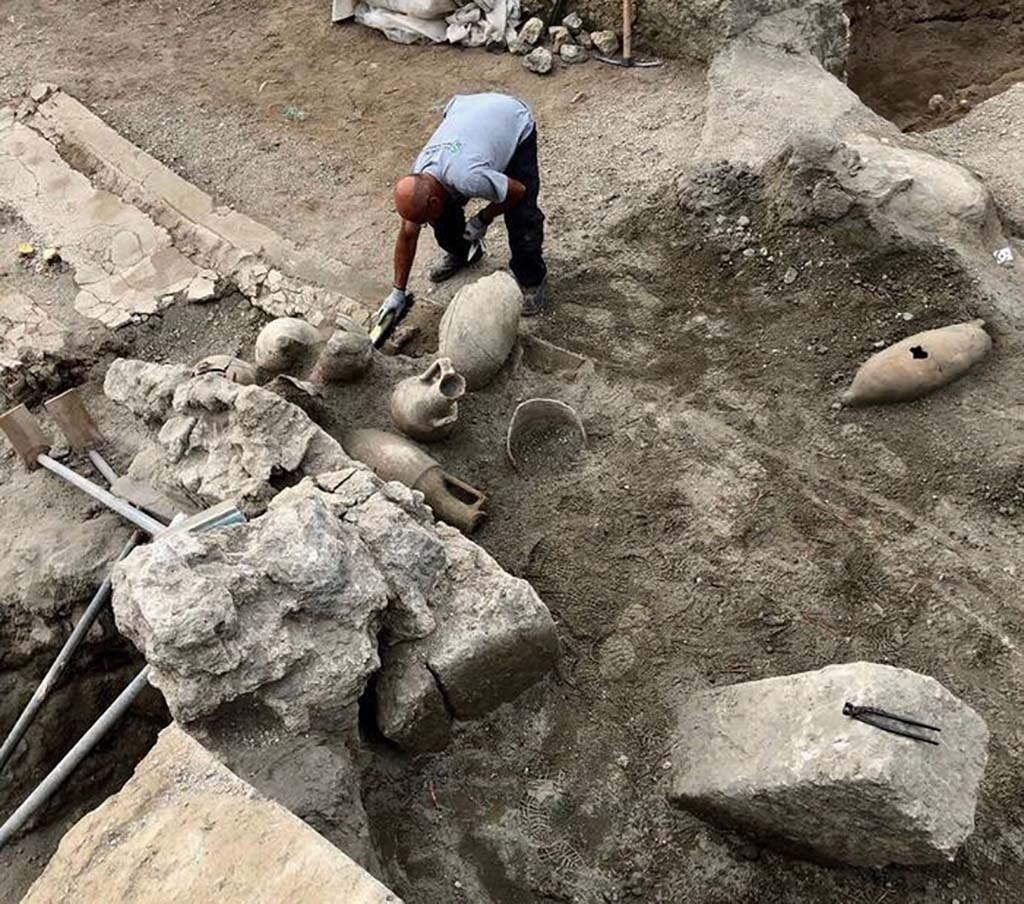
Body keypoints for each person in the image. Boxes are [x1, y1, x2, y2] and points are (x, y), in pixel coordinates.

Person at [380, 93, 548, 321]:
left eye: (423, 220)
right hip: (466, 112)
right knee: (441, 218)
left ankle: (531, 279)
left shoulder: (469, 178)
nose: (422, 225)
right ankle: (465, 253)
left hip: (512, 118)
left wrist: (483, 218)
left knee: (522, 217)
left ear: (433, 200)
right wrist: (397, 292)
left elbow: (517, 191)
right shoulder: (418, 179)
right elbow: (408, 235)